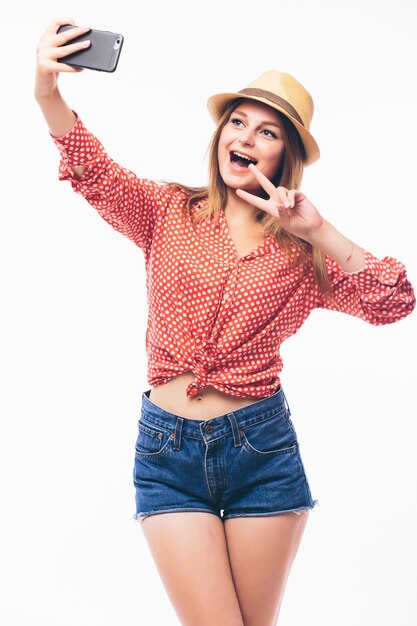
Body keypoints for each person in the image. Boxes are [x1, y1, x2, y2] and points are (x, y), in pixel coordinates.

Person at [35, 17, 415, 626]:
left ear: (284, 153)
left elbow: (393, 300)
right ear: (220, 136)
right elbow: (95, 173)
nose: (245, 137)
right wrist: (48, 95)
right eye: (236, 121)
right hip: (166, 454)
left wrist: (319, 230)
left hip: (261, 453)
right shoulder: (167, 211)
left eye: (267, 131)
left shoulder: (302, 257)